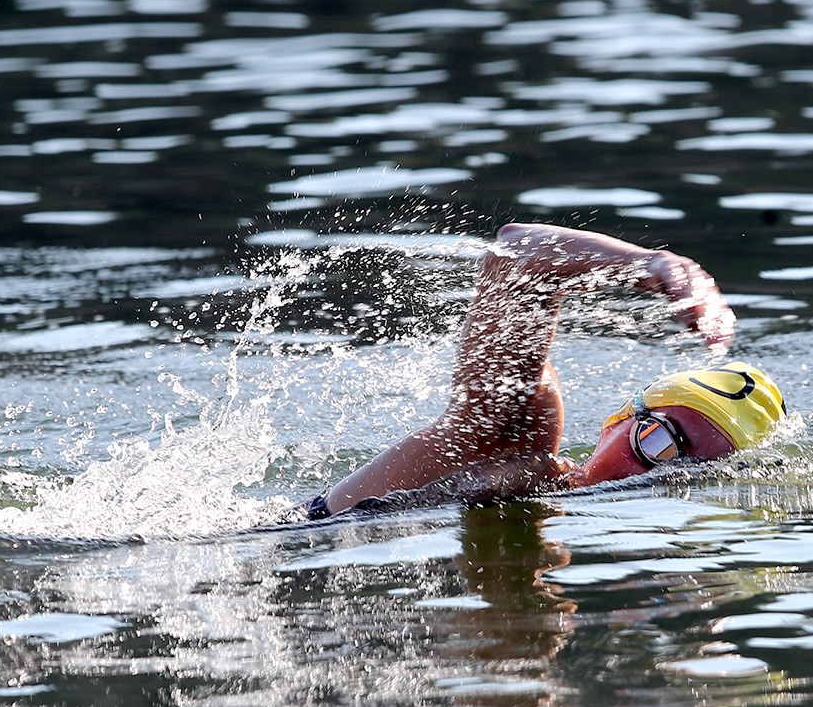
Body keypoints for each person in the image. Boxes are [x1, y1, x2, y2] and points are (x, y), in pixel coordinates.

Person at [301, 223, 786, 521]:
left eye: (695, 475)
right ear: (617, 422)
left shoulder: (557, 521)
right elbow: (516, 255)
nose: (656, 477)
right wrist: (651, 263)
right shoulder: (518, 440)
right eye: (658, 443)